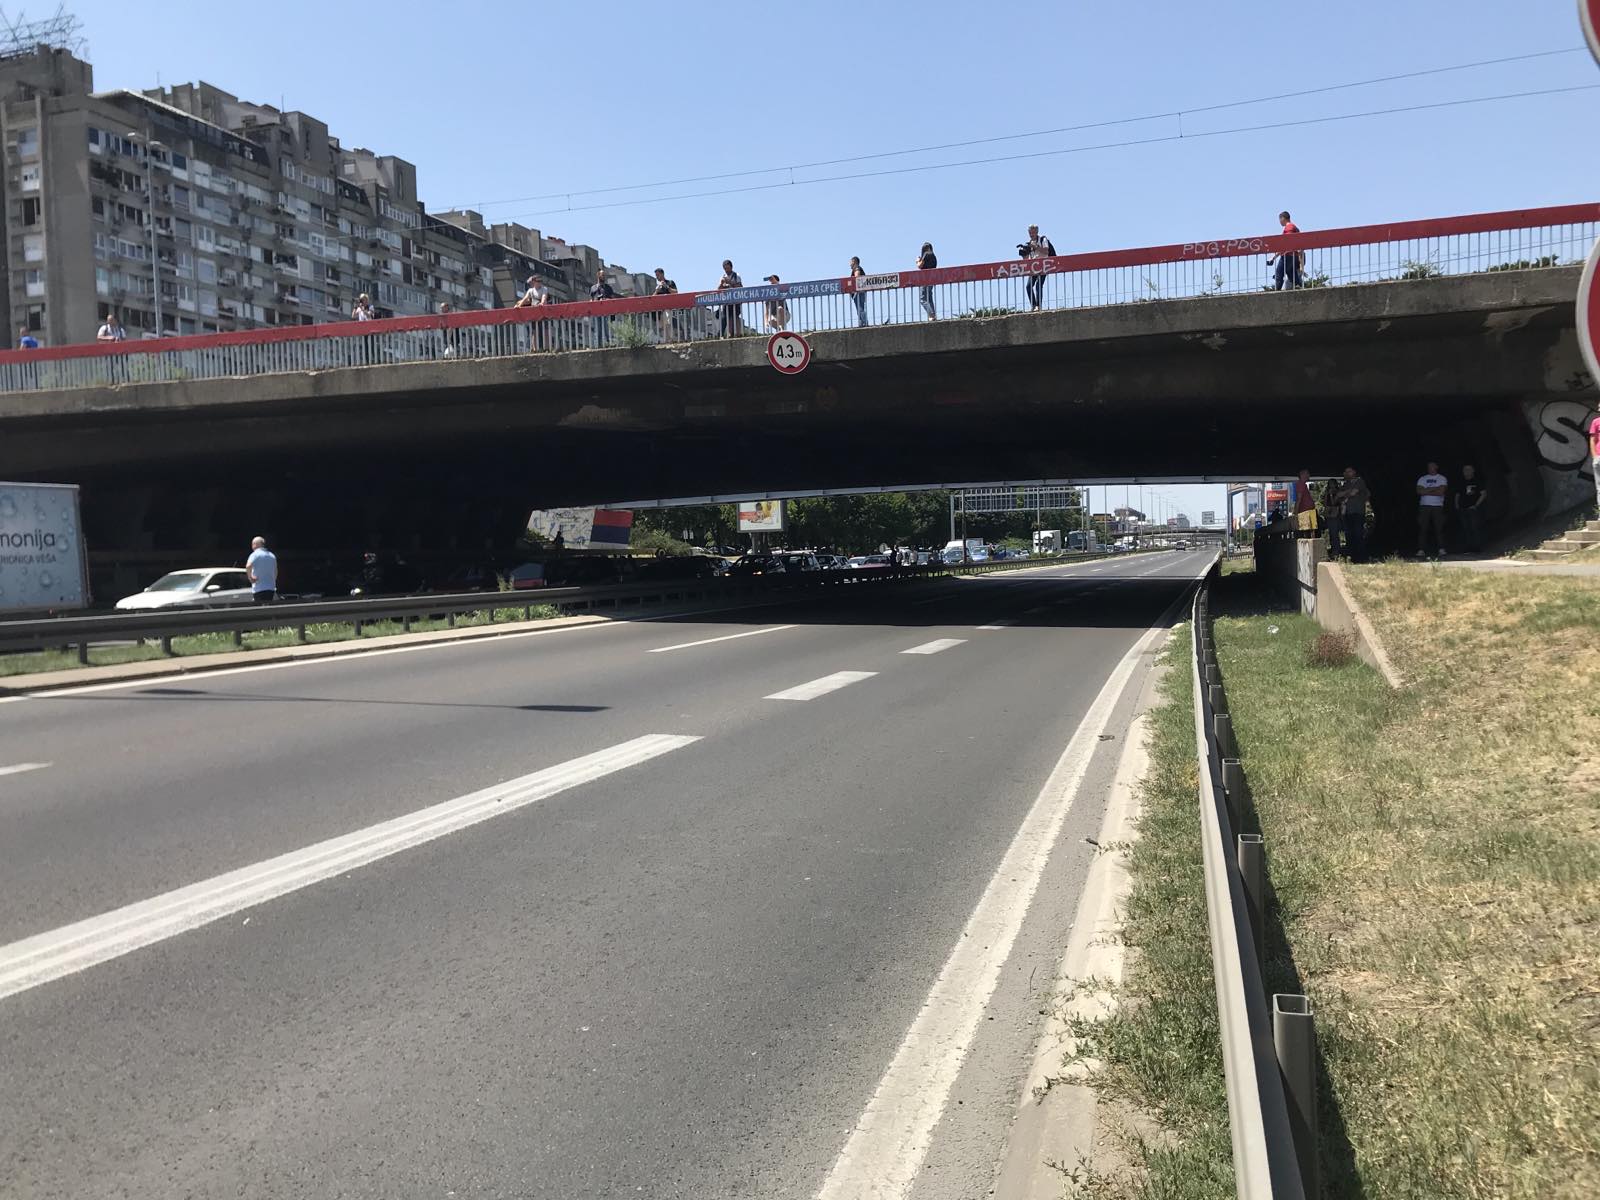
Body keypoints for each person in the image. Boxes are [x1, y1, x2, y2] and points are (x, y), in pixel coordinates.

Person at [1335, 467, 1370, 563]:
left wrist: (1345, 494)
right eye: (1345, 471)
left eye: (1348, 471)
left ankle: (1361, 558)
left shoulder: (1359, 481)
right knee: (1349, 535)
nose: (1346, 473)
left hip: (1357, 512)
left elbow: (1354, 492)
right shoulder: (1346, 484)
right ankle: (1351, 557)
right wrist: (1348, 493)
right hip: (1347, 513)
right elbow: (1338, 495)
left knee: (1358, 534)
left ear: (1354, 472)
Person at [1415, 460, 1449, 558]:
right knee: (1423, 528)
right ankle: (1421, 549)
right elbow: (1419, 491)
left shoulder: (1442, 478)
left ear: (1436, 467)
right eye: (1428, 466)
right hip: (1424, 506)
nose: (1430, 468)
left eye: (1432, 466)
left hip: (1437, 506)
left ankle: (1441, 549)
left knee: (1439, 528)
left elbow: (1441, 492)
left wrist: (1426, 490)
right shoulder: (1422, 478)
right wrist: (1435, 488)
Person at [1453, 464, 1488, 553]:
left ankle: (1478, 548)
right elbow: (1457, 495)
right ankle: (1468, 548)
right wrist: (1457, 505)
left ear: (1473, 471)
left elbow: (1483, 494)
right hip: (1462, 508)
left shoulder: (1477, 481)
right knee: (1466, 528)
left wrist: (1476, 505)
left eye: (1468, 470)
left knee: (1475, 527)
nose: (1466, 472)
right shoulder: (1460, 482)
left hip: (1473, 508)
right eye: (1465, 470)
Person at [1020, 224, 1055, 311]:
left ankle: (1038, 306)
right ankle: (1033, 305)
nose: (1031, 234)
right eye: (1030, 232)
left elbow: (1046, 251)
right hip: (1034, 267)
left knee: (1039, 285)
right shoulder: (1029, 244)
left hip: (1044, 265)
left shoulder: (1043, 239)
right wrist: (1024, 253)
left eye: (1033, 232)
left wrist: (1035, 246)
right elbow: (1027, 259)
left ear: (1037, 232)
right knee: (1028, 286)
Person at [1267, 211, 1304, 291]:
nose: (1279, 222)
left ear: (1283, 218)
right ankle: (1299, 286)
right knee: (1291, 274)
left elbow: (1286, 243)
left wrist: (1274, 257)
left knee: (1279, 274)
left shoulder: (1289, 227)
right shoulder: (1295, 228)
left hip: (1287, 255)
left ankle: (1277, 292)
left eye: (1279, 219)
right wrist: (1273, 258)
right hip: (1294, 256)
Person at [246, 536, 278, 604]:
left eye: (252, 544)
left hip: (259, 588)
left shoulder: (255, 555)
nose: (252, 546)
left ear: (256, 544)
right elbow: (275, 571)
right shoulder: (272, 556)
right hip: (270, 588)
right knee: (267, 609)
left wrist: (250, 578)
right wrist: (272, 580)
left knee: (259, 610)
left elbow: (248, 566)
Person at [589, 268, 616, 347]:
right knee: (597, 330)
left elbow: (613, 300)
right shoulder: (593, 288)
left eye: (604, 275)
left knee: (606, 329)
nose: (604, 277)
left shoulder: (608, 288)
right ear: (598, 275)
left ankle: (608, 344)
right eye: (602, 275)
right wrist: (593, 302)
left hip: (606, 312)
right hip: (596, 312)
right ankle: (598, 346)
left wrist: (606, 299)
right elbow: (591, 299)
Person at [717, 259, 743, 337]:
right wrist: (721, 284)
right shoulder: (723, 277)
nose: (726, 270)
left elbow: (740, 287)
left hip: (735, 301)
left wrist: (730, 282)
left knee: (735, 317)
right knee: (725, 317)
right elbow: (718, 289)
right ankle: (722, 334)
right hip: (726, 301)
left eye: (727, 268)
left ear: (731, 267)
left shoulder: (736, 275)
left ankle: (736, 334)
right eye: (725, 268)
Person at [652, 268, 679, 340]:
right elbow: (652, 298)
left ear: (662, 274)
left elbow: (676, 292)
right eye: (656, 275)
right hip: (659, 310)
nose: (657, 277)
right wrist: (657, 290)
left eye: (658, 275)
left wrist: (666, 286)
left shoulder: (670, 282)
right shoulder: (657, 286)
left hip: (668, 307)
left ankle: (671, 339)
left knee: (668, 322)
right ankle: (666, 341)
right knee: (662, 326)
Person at [1321, 476, 1344, 558]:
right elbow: (1325, 504)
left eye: (1332, 484)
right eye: (1329, 484)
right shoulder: (1327, 492)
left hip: (1336, 514)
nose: (1331, 486)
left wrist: (1331, 495)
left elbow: (1335, 503)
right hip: (1329, 514)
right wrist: (1327, 494)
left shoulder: (1338, 492)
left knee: (1334, 533)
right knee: (1331, 533)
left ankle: (1336, 551)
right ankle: (1333, 550)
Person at [916, 242, 937, 320]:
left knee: (923, 299)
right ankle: (932, 315)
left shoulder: (927, 254)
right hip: (932, 279)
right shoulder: (934, 256)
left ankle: (931, 315)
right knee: (929, 298)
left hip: (925, 279)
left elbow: (920, 266)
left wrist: (917, 261)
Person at [1294, 468, 1317, 535]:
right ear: (1302, 474)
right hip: (1305, 512)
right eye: (1307, 473)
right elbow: (1299, 499)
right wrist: (1296, 514)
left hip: (1310, 511)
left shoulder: (1303, 484)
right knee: (1307, 533)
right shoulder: (1300, 484)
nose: (1309, 475)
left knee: (1312, 532)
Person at [848, 256, 868, 327]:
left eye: (850, 262)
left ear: (854, 262)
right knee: (860, 309)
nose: (849, 264)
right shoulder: (857, 268)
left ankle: (864, 323)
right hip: (859, 292)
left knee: (860, 309)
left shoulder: (857, 268)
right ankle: (862, 323)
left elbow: (857, 277)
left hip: (858, 292)